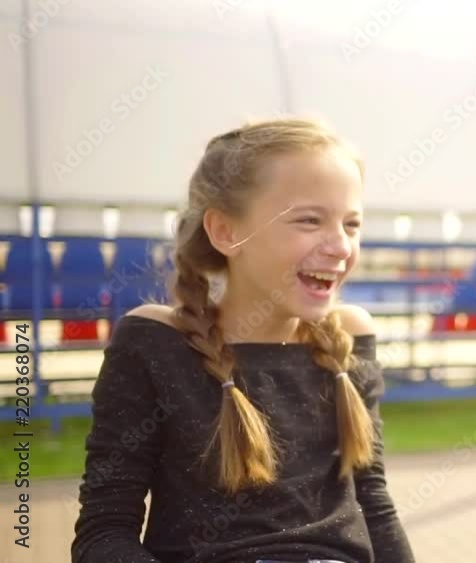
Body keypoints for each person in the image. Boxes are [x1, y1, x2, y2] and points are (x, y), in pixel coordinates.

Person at [71, 118, 415, 563]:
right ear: (226, 232)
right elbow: (104, 534)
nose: (340, 246)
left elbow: (375, 507)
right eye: (310, 221)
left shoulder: (350, 334)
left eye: (352, 225)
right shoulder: (155, 342)